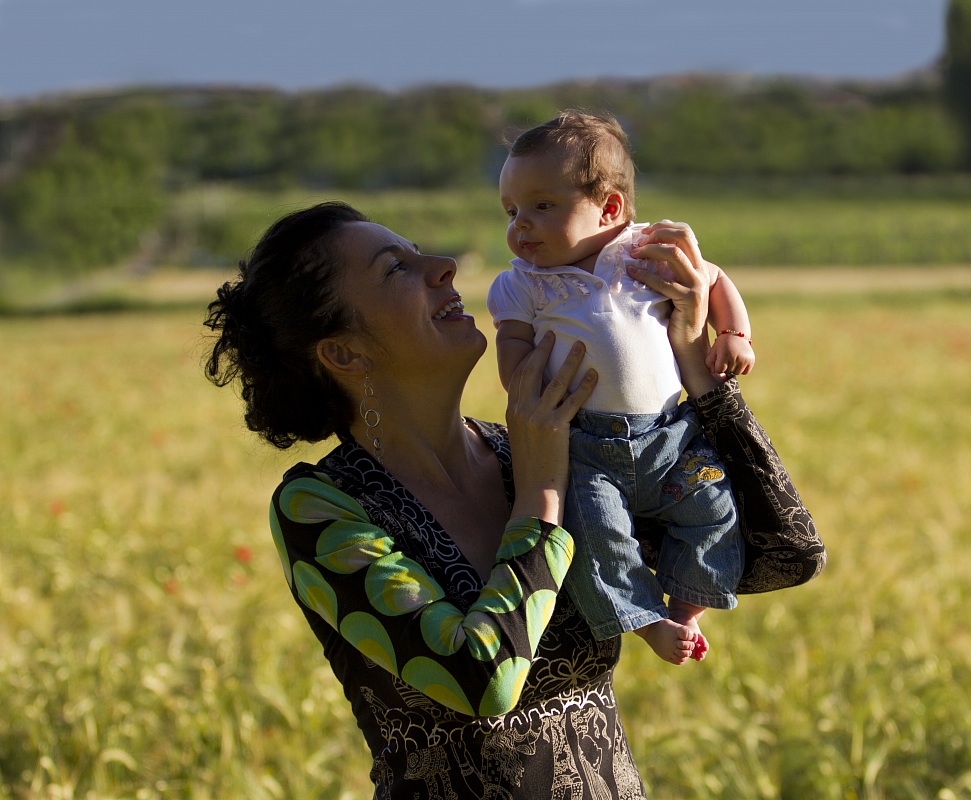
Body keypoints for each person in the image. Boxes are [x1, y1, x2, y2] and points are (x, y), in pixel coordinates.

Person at [204, 200, 824, 798]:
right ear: (343, 352)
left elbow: (783, 554)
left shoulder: (532, 449)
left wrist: (695, 364)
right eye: (396, 268)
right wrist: (539, 495)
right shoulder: (322, 507)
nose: (442, 266)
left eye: (419, 253)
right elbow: (482, 678)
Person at [487, 110, 755, 664]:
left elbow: (715, 277)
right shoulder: (525, 284)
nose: (521, 226)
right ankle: (646, 622)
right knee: (596, 539)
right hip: (587, 449)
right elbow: (511, 341)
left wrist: (733, 332)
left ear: (610, 207)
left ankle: (686, 606)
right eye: (511, 211)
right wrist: (520, 378)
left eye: (542, 207)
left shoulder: (645, 250)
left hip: (670, 437)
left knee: (717, 505)